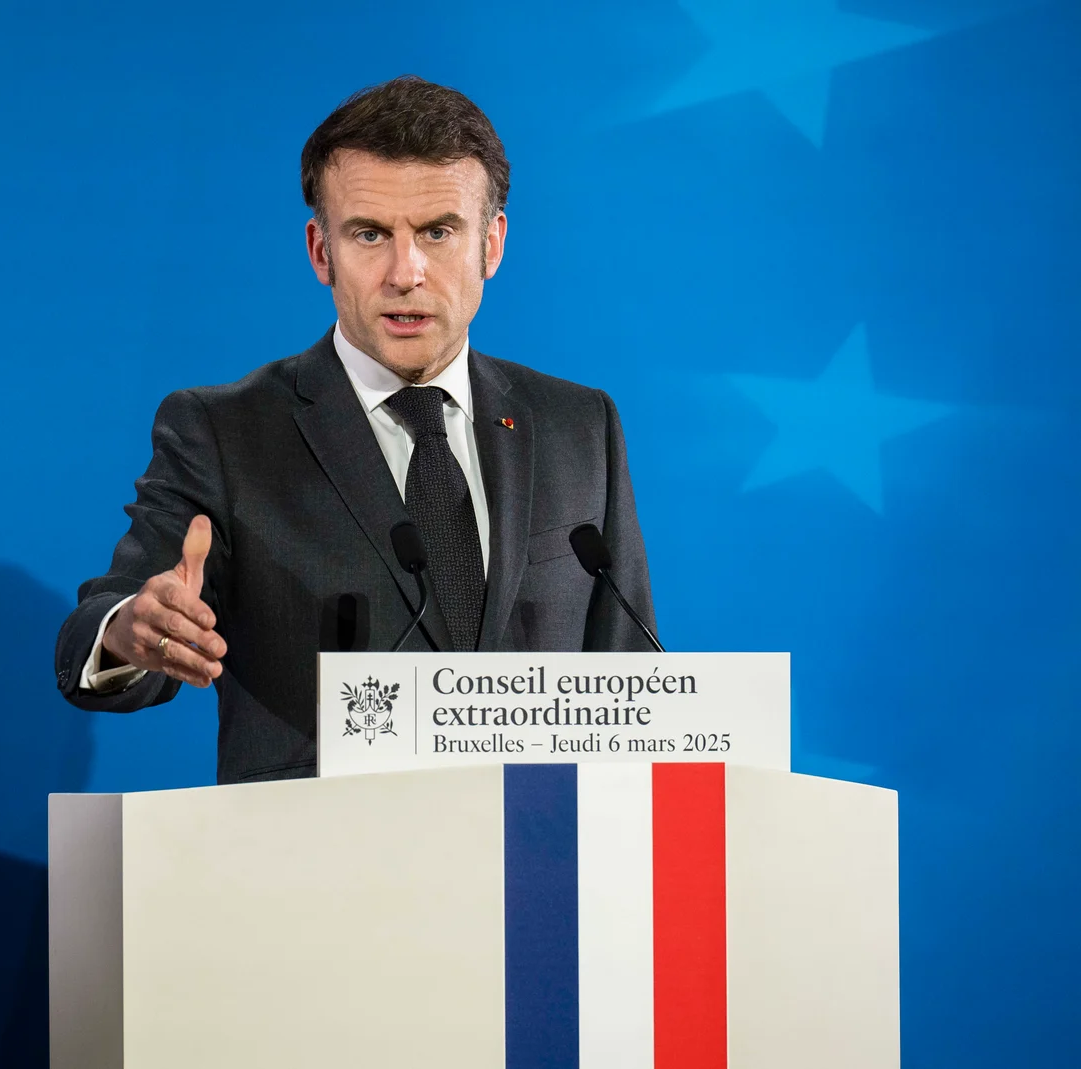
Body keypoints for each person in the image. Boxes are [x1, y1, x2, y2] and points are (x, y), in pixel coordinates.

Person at [53, 75, 656, 785]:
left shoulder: (578, 426)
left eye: (439, 231)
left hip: (536, 867)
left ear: (491, 244)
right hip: (322, 873)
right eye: (371, 234)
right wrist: (135, 630)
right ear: (320, 251)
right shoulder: (226, 431)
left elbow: (629, 673)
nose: (407, 272)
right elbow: (103, 627)